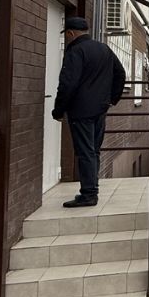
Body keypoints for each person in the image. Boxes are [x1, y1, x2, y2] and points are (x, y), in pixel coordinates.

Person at [51, 17, 126, 207]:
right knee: (93, 151)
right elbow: (120, 73)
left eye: (67, 35)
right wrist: (112, 99)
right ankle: (92, 189)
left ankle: (89, 195)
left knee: (85, 152)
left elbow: (67, 84)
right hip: (100, 109)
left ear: (70, 33)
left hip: (81, 111)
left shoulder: (75, 51)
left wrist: (58, 110)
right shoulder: (104, 49)